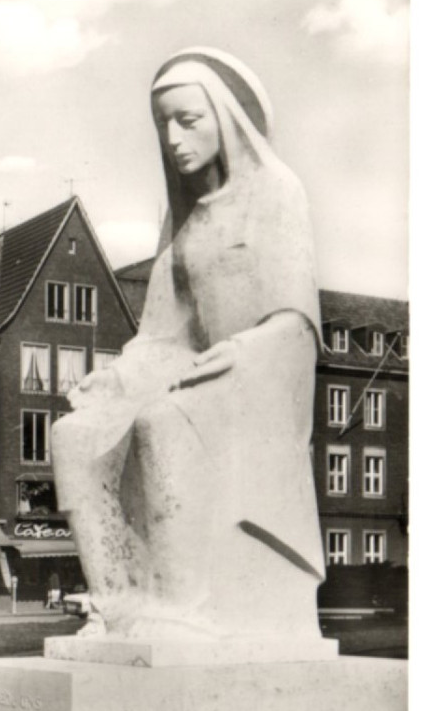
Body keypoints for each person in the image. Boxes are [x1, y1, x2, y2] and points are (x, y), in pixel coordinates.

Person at [52, 48, 325, 645]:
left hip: (259, 379)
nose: (174, 137)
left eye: (188, 119)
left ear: (226, 118)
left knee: (162, 421)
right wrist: (117, 376)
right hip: (194, 374)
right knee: (74, 435)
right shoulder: (183, 223)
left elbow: (298, 319)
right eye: (163, 124)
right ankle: (116, 604)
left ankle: (183, 607)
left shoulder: (277, 192)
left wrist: (247, 351)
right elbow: (161, 334)